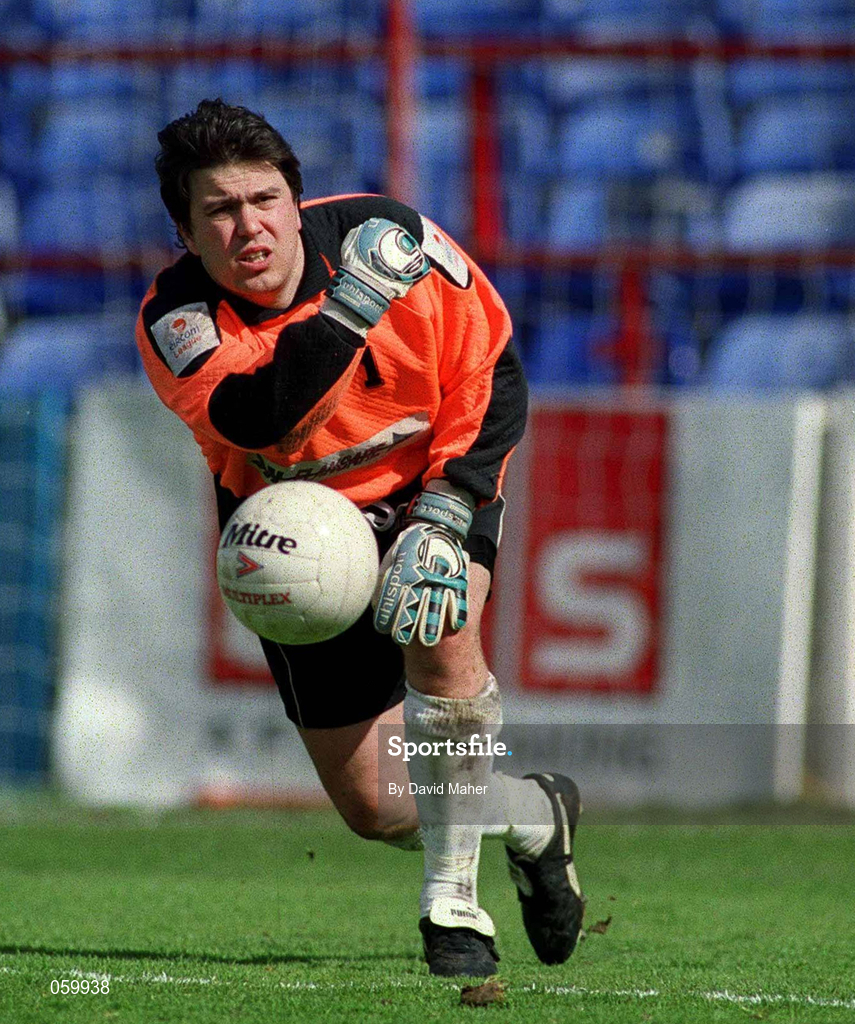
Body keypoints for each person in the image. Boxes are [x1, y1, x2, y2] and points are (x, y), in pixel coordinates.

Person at [136, 98, 584, 976]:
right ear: (185, 234)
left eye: (264, 200)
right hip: (296, 527)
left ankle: (453, 905)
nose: (248, 226)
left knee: (440, 620)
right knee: (377, 806)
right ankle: (533, 813)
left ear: (294, 199)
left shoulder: (393, 237)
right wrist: (351, 307)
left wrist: (451, 504)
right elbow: (262, 419)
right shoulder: (175, 317)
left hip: (428, 484)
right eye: (219, 211)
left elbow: (490, 364)